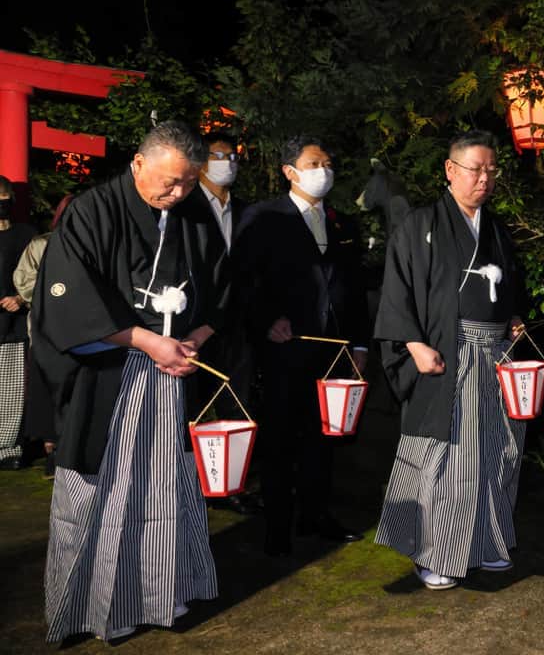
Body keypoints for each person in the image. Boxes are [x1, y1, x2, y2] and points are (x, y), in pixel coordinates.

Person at [32, 120, 231, 642]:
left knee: (165, 490)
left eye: (188, 183)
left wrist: (196, 339)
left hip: (170, 380)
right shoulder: (93, 210)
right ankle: (90, 606)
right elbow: (69, 298)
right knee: (98, 492)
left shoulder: (193, 213)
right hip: (110, 372)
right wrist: (147, 341)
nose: (178, 192)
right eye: (168, 181)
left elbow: (220, 288)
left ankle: (162, 593)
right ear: (138, 163)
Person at [374, 129, 526, 591]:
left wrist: (515, 317)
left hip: (493, 354)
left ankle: (489, 543)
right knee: (448, 456)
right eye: (475, 169)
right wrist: (414, 345)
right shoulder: (420, 225)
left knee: (497, 451)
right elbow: (397, 290)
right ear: (450, 170)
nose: (484, 179)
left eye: (490, 170)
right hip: (446, 354)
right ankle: (435, 553)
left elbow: (508, 288)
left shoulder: (495, 229)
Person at [234, 134, 369, 557]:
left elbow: (356, 289)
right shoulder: (263, 218)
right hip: (284, 347)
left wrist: (360, 346)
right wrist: (265, 321)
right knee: (280, 438)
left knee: (324, 436)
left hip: (333, 350)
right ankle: (277, 526)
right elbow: (241, 281)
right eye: (314, 162)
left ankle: (316, 514)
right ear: (289, 171)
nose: (323, 170)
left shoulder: (343, 222)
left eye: (328, 162)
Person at [193, 129, 260, 515]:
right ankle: (192, 481)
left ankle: (232, 484)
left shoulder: (248, 211)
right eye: (220, 156)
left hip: (238, 324)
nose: (229, 163)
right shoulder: (187, 208)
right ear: (202, 162)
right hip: (196, 325)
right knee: (195, 405)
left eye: (233, 157)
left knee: (238, 401)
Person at [12, 193, 74, 478]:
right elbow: (24, 280)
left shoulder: (96, 242)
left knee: (74, 392)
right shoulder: (41, 243)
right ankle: (51, 449)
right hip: (45, 328)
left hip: (81, 333)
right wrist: (57, 288)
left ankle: (69, 447)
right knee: (45, 391)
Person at [0, 175, 36, 470]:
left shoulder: (26, 234)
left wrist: (22, 299)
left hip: (13, 323)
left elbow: (41, 274)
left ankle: (7, 447)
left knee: (11, 391)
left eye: (4, 197)